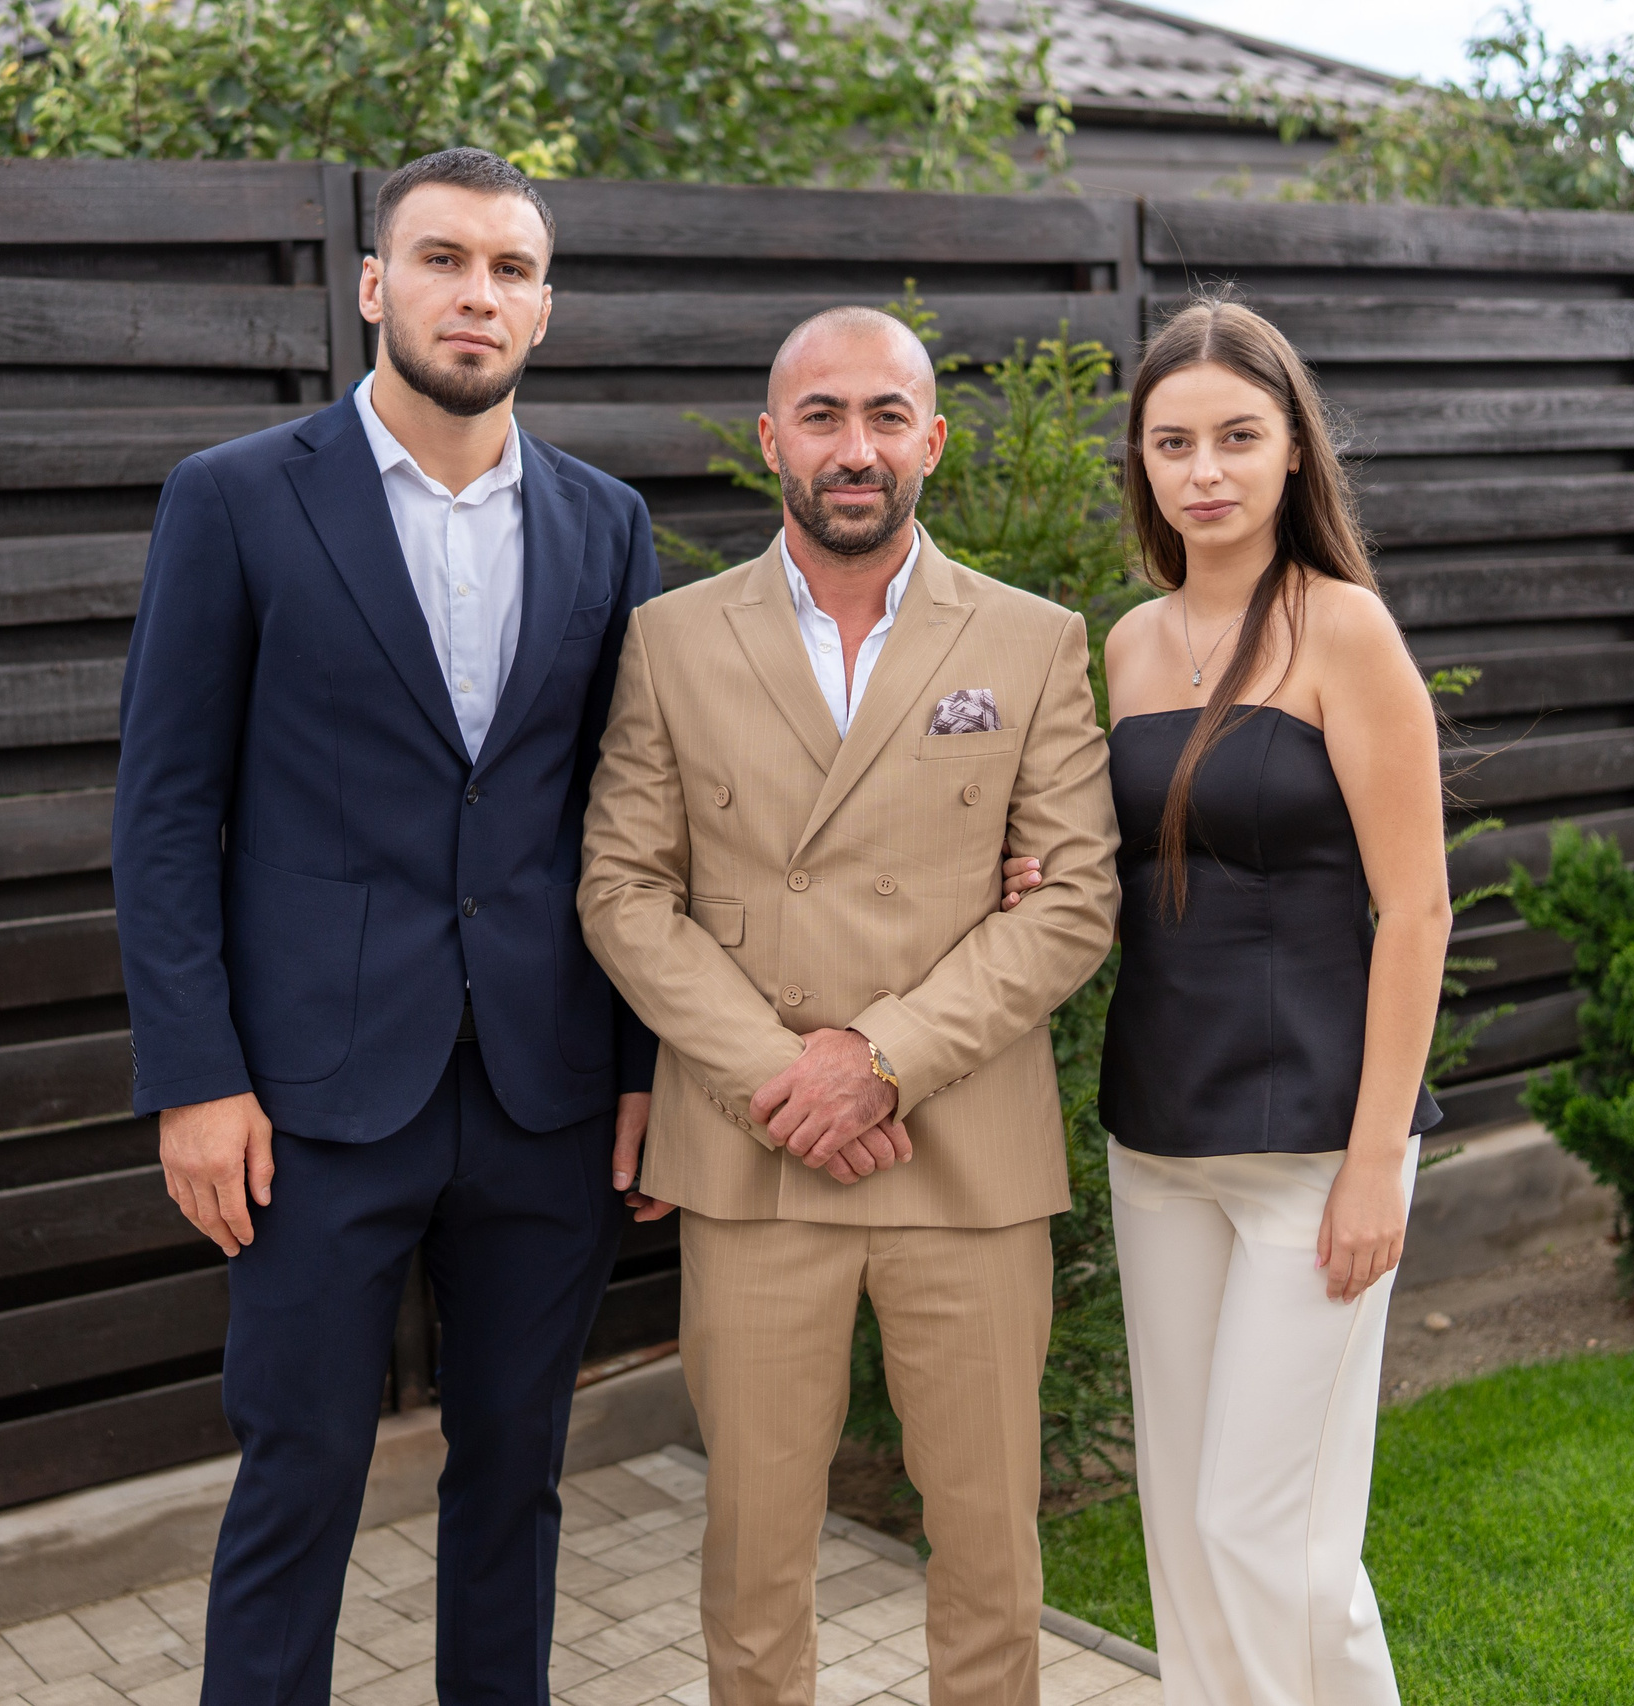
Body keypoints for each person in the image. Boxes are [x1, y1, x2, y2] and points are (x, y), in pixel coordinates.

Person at [110, 147, 663, 1706]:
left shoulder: (606, 524)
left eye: (508, 268)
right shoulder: (234, 500)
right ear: (374, 285)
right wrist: (194, 1078)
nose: (474, 293)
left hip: (545, 1096)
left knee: (518, 1484)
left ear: (544, 308)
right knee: (298, 1488)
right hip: (308, 1103)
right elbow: (164, 815)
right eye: (441, 259)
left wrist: (638, 1070)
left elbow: (624, 822)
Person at [580, 306, 1122, 1706]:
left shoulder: (1036, 640)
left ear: (931, 440)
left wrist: (876, 1059)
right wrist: (786, 1076)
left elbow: (1073, 903)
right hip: (758, 1160)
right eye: (821, 415)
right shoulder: (671, 640)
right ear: (773, 441)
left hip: (966, 1159)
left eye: (886, 414)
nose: (855, 445)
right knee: (756, 1562)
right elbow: (625, 892)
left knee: (992, 1559)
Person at [1001, 297, 1449, 1706]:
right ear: (1141, 462)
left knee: (1266, 1531)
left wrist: (1378, 1159)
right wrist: (1035, 875)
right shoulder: (1128, 645)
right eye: (1175, 441)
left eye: (1239, 437)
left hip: (1321, 1143)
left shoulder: (1345, 630)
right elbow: (1133, 863)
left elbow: (1419, 907)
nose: (1207, 469)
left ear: (1293, 452)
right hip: (1160, 1134)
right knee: (1187, 1531)